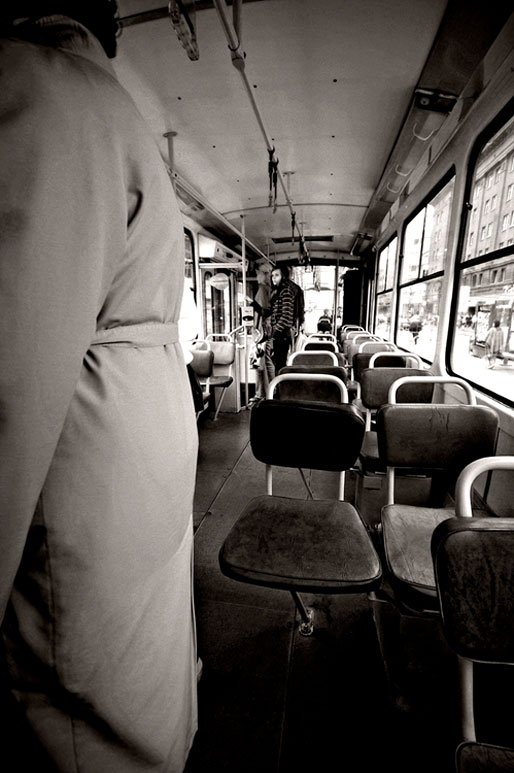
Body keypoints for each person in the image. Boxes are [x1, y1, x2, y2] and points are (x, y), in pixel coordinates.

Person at [0, 4, 198, 771]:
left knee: (83, 722)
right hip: (136, 463)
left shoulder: (36, 93)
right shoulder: (116, 113)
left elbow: (10, 396)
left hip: (87, 481)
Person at [268, 266, 295, 375]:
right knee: (278, 363)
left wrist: (274, 331)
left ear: (283, 276)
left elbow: (286, 316)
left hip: (282, 334)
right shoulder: (279, 291)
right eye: (272, 275)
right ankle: (278, 389)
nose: (273, 278)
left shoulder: (286, 292)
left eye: (277, 275)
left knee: (280, 365)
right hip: (279, 334)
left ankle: (279, 390)